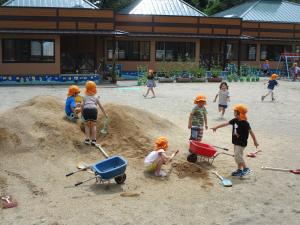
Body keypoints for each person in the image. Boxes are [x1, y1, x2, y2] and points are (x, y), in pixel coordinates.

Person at [211, 104, 259, 177]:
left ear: (239, 113)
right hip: (236, 142)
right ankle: (239, 170)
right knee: (237, 156)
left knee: (237, 156)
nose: (234, 112)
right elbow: (225, 123)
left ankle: (246, 168)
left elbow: (251, 132)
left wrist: (255, 141)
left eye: (235, 111)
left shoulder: (245, 123)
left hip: (242, 143)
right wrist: (216, 127)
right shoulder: (235, 120)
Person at [81, 81, 108, 146]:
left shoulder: (84, 97)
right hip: (94, 110)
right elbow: (100, 106)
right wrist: (105, 114)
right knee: (93, 126)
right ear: (94, 88)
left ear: (86, 88)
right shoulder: (96, 96)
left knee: (87, 125)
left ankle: (87, 140)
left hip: (86, 110)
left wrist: (82, 114)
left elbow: (82, 106)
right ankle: (94, 140)